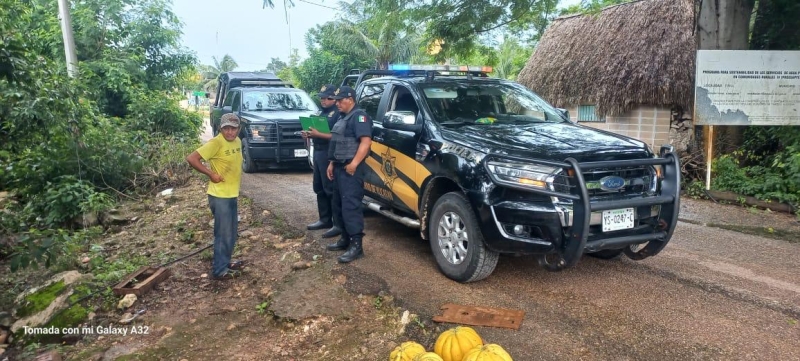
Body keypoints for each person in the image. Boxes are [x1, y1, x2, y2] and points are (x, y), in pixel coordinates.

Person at [186, 113, 245, 279]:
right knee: (223, 233)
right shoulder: (216, 142)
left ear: (239, 129)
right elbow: (192, 158)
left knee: (231, 232)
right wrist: (210, 173)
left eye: (233, 129)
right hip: (219, 196)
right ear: (220, 128)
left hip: (231, 194)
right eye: (226, 128)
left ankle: (225, 262)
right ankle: (219, 270)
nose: (230, 132)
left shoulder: (238, 142)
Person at [326, 86, 373, 263]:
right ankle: (345, 238)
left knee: (350, 207)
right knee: (338, 204)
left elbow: (365, 142)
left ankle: (356, 245)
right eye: (336, 100)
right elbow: (338, 143)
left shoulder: (359, 116)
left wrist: (353, 164)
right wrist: (331, 163)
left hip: (351, 169)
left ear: (350, 99)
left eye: (340, 100)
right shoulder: (343, 117)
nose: (336, 103)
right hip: (339, 167)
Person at [302, 84, 342, 239]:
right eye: (322, 98)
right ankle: (324, 219)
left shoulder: (338, 114)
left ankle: (336, 223)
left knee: (330, 188)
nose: (323, 101)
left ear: (334, 98)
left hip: (329, 153)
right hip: (318, 151)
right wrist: (309, 134)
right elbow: (317, 132)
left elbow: (337, 136)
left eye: (327, 98)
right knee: (319, 187)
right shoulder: (320, 112)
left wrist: (318, 134)